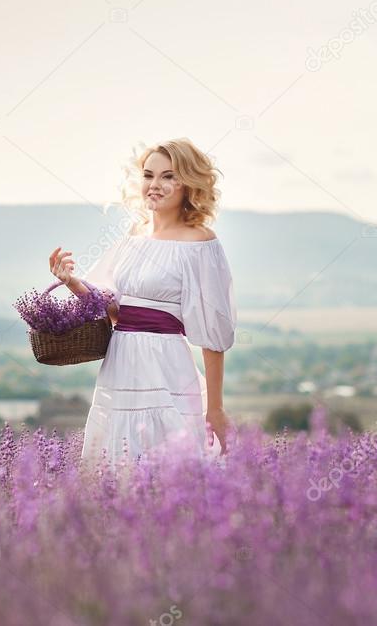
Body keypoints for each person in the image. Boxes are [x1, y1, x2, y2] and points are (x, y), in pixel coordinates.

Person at [48, 138, 237, 467]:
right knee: (116, 464)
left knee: (174, 466)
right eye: (149, 175)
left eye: (168, 176)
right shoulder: (133, 236)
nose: (155, 184)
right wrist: (72, 282)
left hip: (166, 364)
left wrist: (216, 408)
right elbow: (111, 308)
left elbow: (212, 336)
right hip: (121, 364)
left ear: (188, 183)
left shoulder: (200, 242)